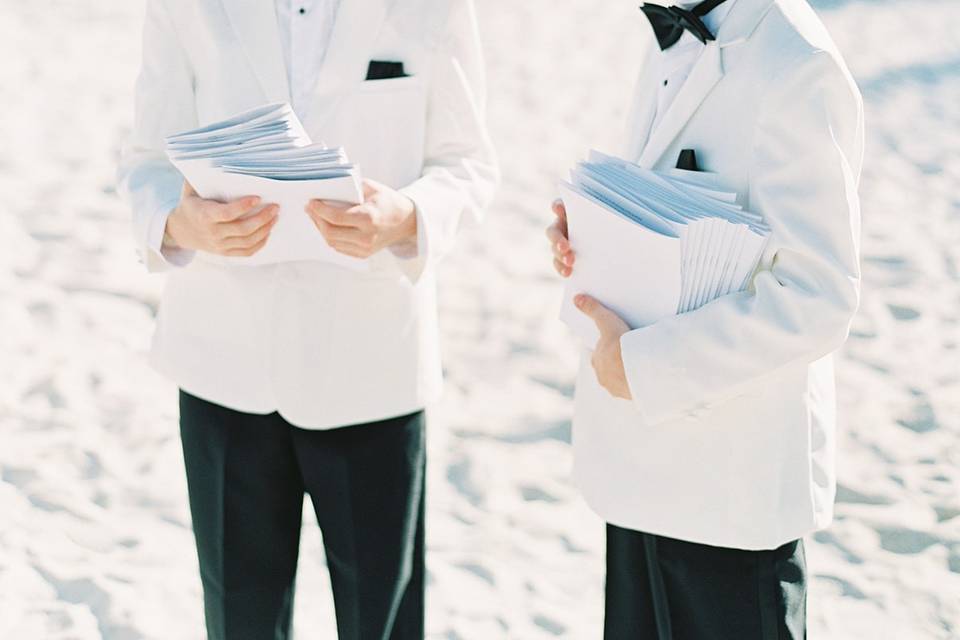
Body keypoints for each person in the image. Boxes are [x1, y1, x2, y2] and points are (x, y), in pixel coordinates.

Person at [118, 1, 498, 638]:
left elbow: (467, 164)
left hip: (373, 361)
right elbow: (146, 161)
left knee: (381, 617)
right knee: (238, 617)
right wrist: (181, 223)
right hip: (222, 360)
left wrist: (406, 216)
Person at [546, 0, 863, 637]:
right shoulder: (670, 33)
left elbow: (819, 293)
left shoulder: (799, 64)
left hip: (730, 497)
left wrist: (645, 367)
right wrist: (591, 234)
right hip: (635, 475)